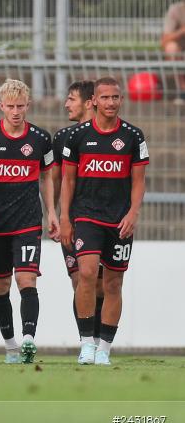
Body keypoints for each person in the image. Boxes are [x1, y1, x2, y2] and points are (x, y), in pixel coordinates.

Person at [0, 79, 58, 365]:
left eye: (20, 106)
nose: (16, 111)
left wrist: (52, 211)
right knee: (0, 286)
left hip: (28, 221)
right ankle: (11, 346)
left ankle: (29, 339)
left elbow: (47, 177)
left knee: (26, 279)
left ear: (28, 105)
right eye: (10, 106)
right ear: (1, 105)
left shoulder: (40, 138)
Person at [60, 77, 148, 366]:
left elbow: (138, 181)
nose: (111, 102)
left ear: (121, 100)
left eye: (116, 97)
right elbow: (68, 180)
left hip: (119, 219)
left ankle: (104, 348)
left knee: (113, 283)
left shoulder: (134, 136)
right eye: (106, 97)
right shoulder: (78, 136)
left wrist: (133, 213)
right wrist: (65, 217)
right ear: (94, 101)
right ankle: (86, 343)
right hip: (86, 215)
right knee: (86, 273)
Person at [51, 81, 103, 340]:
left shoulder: (114, 135)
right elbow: (56, 180)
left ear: (88, 102)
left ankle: (101, 340)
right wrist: (54, 214)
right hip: (74, 220)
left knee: (103, 285)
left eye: (71, 99)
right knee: (80, 279)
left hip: (107, 219)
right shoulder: (63, 137)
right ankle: (87, 342)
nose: (66, 104)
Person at [161, 0, 185, 100]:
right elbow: (164, 40)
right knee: (171, 48)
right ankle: (182, 89)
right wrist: (182, 30)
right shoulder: (176, 10)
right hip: (180, 48)